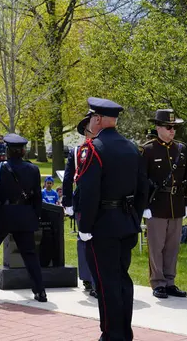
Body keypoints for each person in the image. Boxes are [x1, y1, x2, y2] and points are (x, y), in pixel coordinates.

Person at [76, 97, 148, 341]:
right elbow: (143, 189)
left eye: (92, 118)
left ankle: (111, 335)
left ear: (97, 119)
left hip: (102, 225)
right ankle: (124, 333)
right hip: (126, 223)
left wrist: (85, 227)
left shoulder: (93, 148)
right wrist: (134, 216)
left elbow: (89, 192)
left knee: (106, 283)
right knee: (122, 280)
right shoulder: (131, 147)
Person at [0, 134, 47, 303]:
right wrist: (35, 216)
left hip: (3, 214)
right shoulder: (33, 169)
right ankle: (40, 290)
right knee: (30, 255)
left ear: (7, 151)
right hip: (25, 214)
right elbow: (37, 197)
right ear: (23, 151)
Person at [141, 109, 187, 299]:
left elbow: (185, 179)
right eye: (169, 127)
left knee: (172, 246)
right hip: (157, 205)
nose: (172, 131)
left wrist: (186, 202)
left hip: (176, 204)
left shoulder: (181, 149)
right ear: (158, 127)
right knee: (156, 245)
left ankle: (170, 281)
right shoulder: (148, 150)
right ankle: (158, 282)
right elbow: (142, 180)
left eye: (174, 127)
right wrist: (144, 205)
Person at [62, 112, 97, 298]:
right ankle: (87, 278)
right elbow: (68, 179)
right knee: (85, 240)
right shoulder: (77, 151)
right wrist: (67, 202)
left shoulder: (104, 148)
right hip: (82, 201)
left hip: (102, 202)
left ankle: (98, 278)